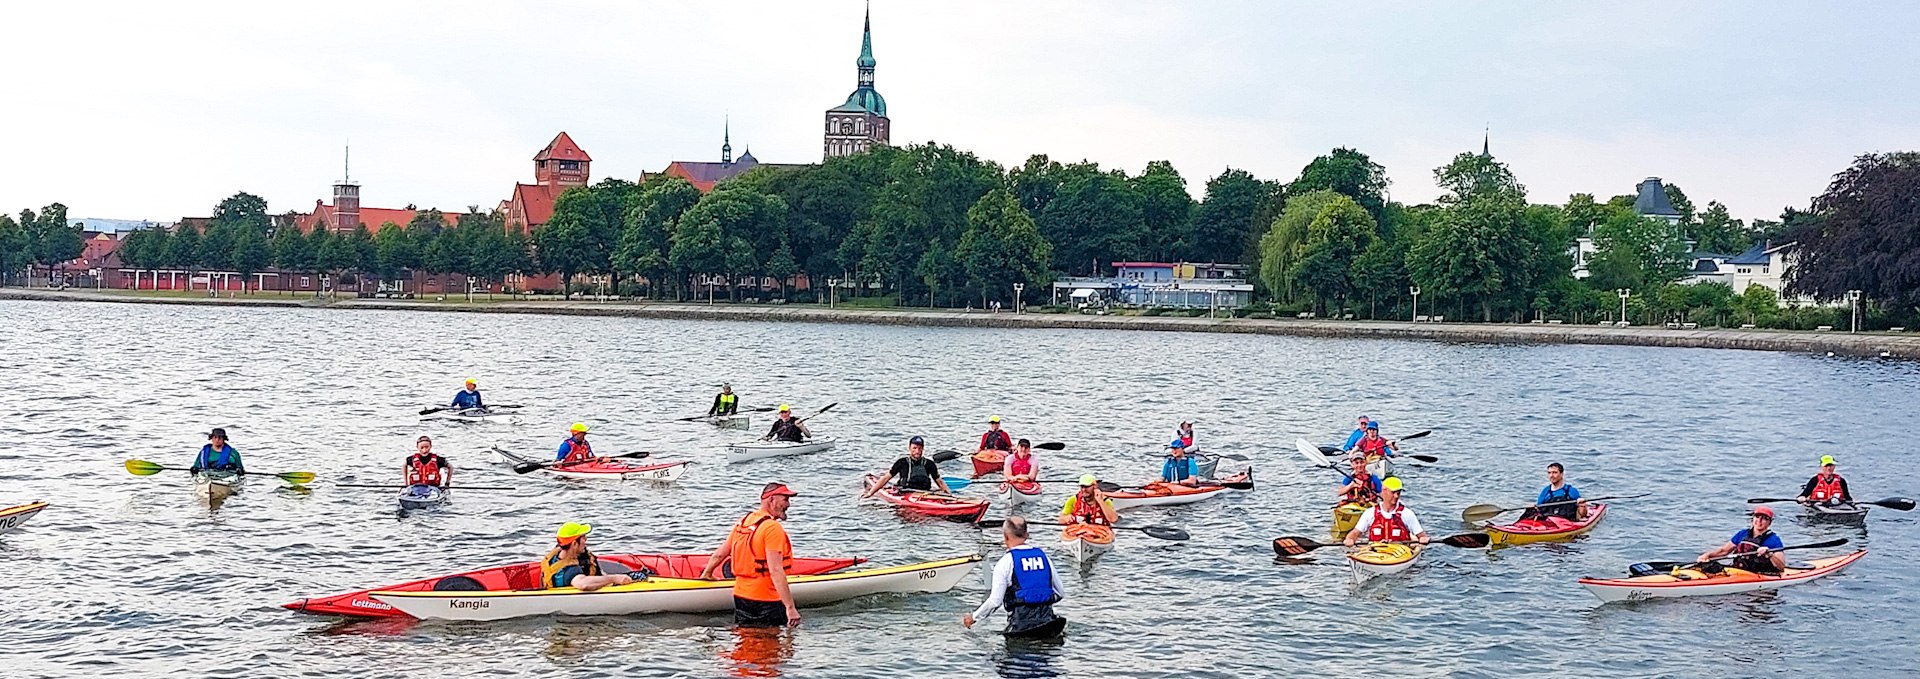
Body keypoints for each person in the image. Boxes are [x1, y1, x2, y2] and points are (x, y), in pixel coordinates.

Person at [702, 482, 802, 627]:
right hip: (767, 600)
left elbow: (720, 554)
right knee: (771, 646)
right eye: (785, 499)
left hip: (741, 597)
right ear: (772, 500)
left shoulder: (744, 522)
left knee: (746, 642)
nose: (788, 505)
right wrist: (790, 607)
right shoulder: (772, 528)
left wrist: (707, 573)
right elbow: (775, 570)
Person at [964, 516, 1066, 635]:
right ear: (1026, 535)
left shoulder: (1005, 562)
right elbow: (1060, 593)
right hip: (1048, 622)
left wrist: (973, 617)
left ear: (1005, 536)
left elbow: (995, 602)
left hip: (1021, 626)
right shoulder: (1044, 558)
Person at [540, 522, 638, 591]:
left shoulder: (557, 554)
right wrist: (615, 578)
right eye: (583, 537)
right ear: (574, 544)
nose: (586, 540)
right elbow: (583, 584)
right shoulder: (570, 571)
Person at [1696, 506, 1786, 575]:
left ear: (1769, 523)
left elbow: (1781, 567)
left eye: (1764, 518)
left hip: (1759, 574)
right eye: (1757, 517)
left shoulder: (1774, 540)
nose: (1759, 521)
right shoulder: (1743, 533)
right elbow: (1724, 551)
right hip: (1739, 571)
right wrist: (1707, 555)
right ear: (1752, 519)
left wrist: (1769, 554)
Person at [1344, 477, 1427, 547]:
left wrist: (1423, 539)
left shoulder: (1407, 514)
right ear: (1384, 491)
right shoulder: (1370, 513)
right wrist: (1349, 539)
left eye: (1398, 493)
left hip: (1399, 553)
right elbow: (1355, 532)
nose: (1396, 496)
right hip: (1376, 552)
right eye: (1393, 492)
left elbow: (1421, 535)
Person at [863, 436, 953, 497]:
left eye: (920, 448)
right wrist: (870, 493)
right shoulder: (902, 462)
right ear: (909, 448)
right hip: (906, 493)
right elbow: (886, 478)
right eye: (914, 448)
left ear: (923, 449)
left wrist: (950, 495)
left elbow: (939, 482)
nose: (917, 451)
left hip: (925, 493)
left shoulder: (929, 464)